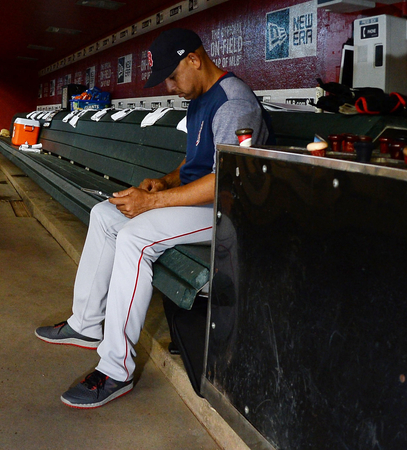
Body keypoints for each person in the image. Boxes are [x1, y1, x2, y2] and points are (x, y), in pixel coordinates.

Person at [34, 28, 273, 409]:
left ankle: (115, 369)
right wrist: (162, 183)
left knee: (135, 236)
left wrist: (153, 204)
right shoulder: (200, 96)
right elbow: (196, 164)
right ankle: (86, 323)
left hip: (226, 211)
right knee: (105, 213)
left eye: (173, 75)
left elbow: (225, 180)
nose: (170, 85)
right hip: (195, 202)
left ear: (194, 59)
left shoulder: (233, 103)